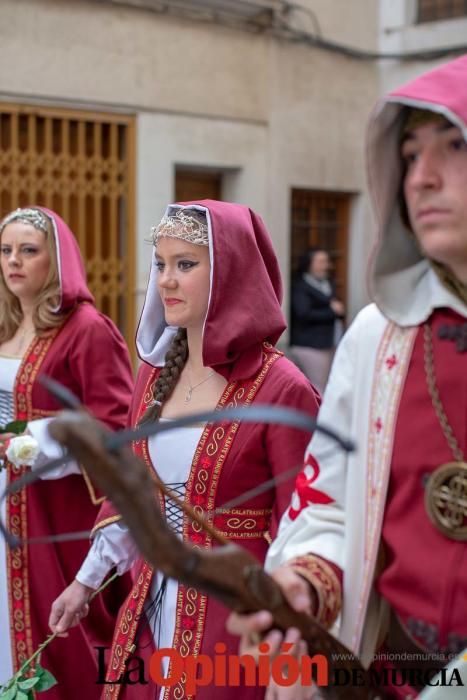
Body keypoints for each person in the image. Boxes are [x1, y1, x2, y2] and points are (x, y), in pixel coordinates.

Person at [227, 55, 467, 700]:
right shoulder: (377, 335)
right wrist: (302, 583)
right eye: (411, 154)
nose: (421, 177)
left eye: (455, 146)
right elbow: (329, 505)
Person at [48, 200, 321, 700]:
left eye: (185, 265)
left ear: (230, 273)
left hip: (235, 622)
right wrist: (85, 583)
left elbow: (304, 526)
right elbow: (132, 494)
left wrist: (290, 642)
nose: (166, 281)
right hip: (150, 606)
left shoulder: (282, 389)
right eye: (160, 264)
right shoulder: (153, 374)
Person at [0, 206, 134, 698]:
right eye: (6, 250)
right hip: (5, 511)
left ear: (57, 261)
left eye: (28, 251)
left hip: (55, 516)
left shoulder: (86, 329)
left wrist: (31, 442)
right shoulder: (5, 325)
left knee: (58, 641)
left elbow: (117, 430)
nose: (13, 261)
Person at [290, 248, 345, 394]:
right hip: (311, 345)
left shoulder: (328, 283)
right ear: (309, 263)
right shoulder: (300, 286)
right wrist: (332, 311)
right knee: (318, 388)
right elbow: (303, 314)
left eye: (326, 261)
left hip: (329, 342)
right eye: (320, 261)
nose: (325, 265)